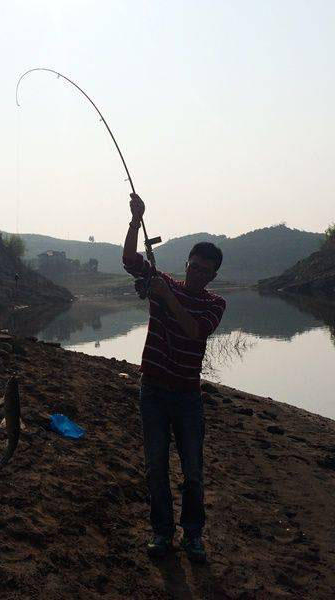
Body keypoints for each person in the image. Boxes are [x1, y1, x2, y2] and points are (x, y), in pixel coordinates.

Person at [122, 192, 226, 564]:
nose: (196, 272)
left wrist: (167, 297)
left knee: (193, 471)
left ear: (213, 275)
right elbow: (130, 260)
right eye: (193, 266)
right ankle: (162, 532)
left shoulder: (215, 304)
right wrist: (136, 220)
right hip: (152, 391)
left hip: (187, 397)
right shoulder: (162, 282)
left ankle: (193, 535)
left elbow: (194, 331)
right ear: (187, 263)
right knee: (155, 467)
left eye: (204, 270)